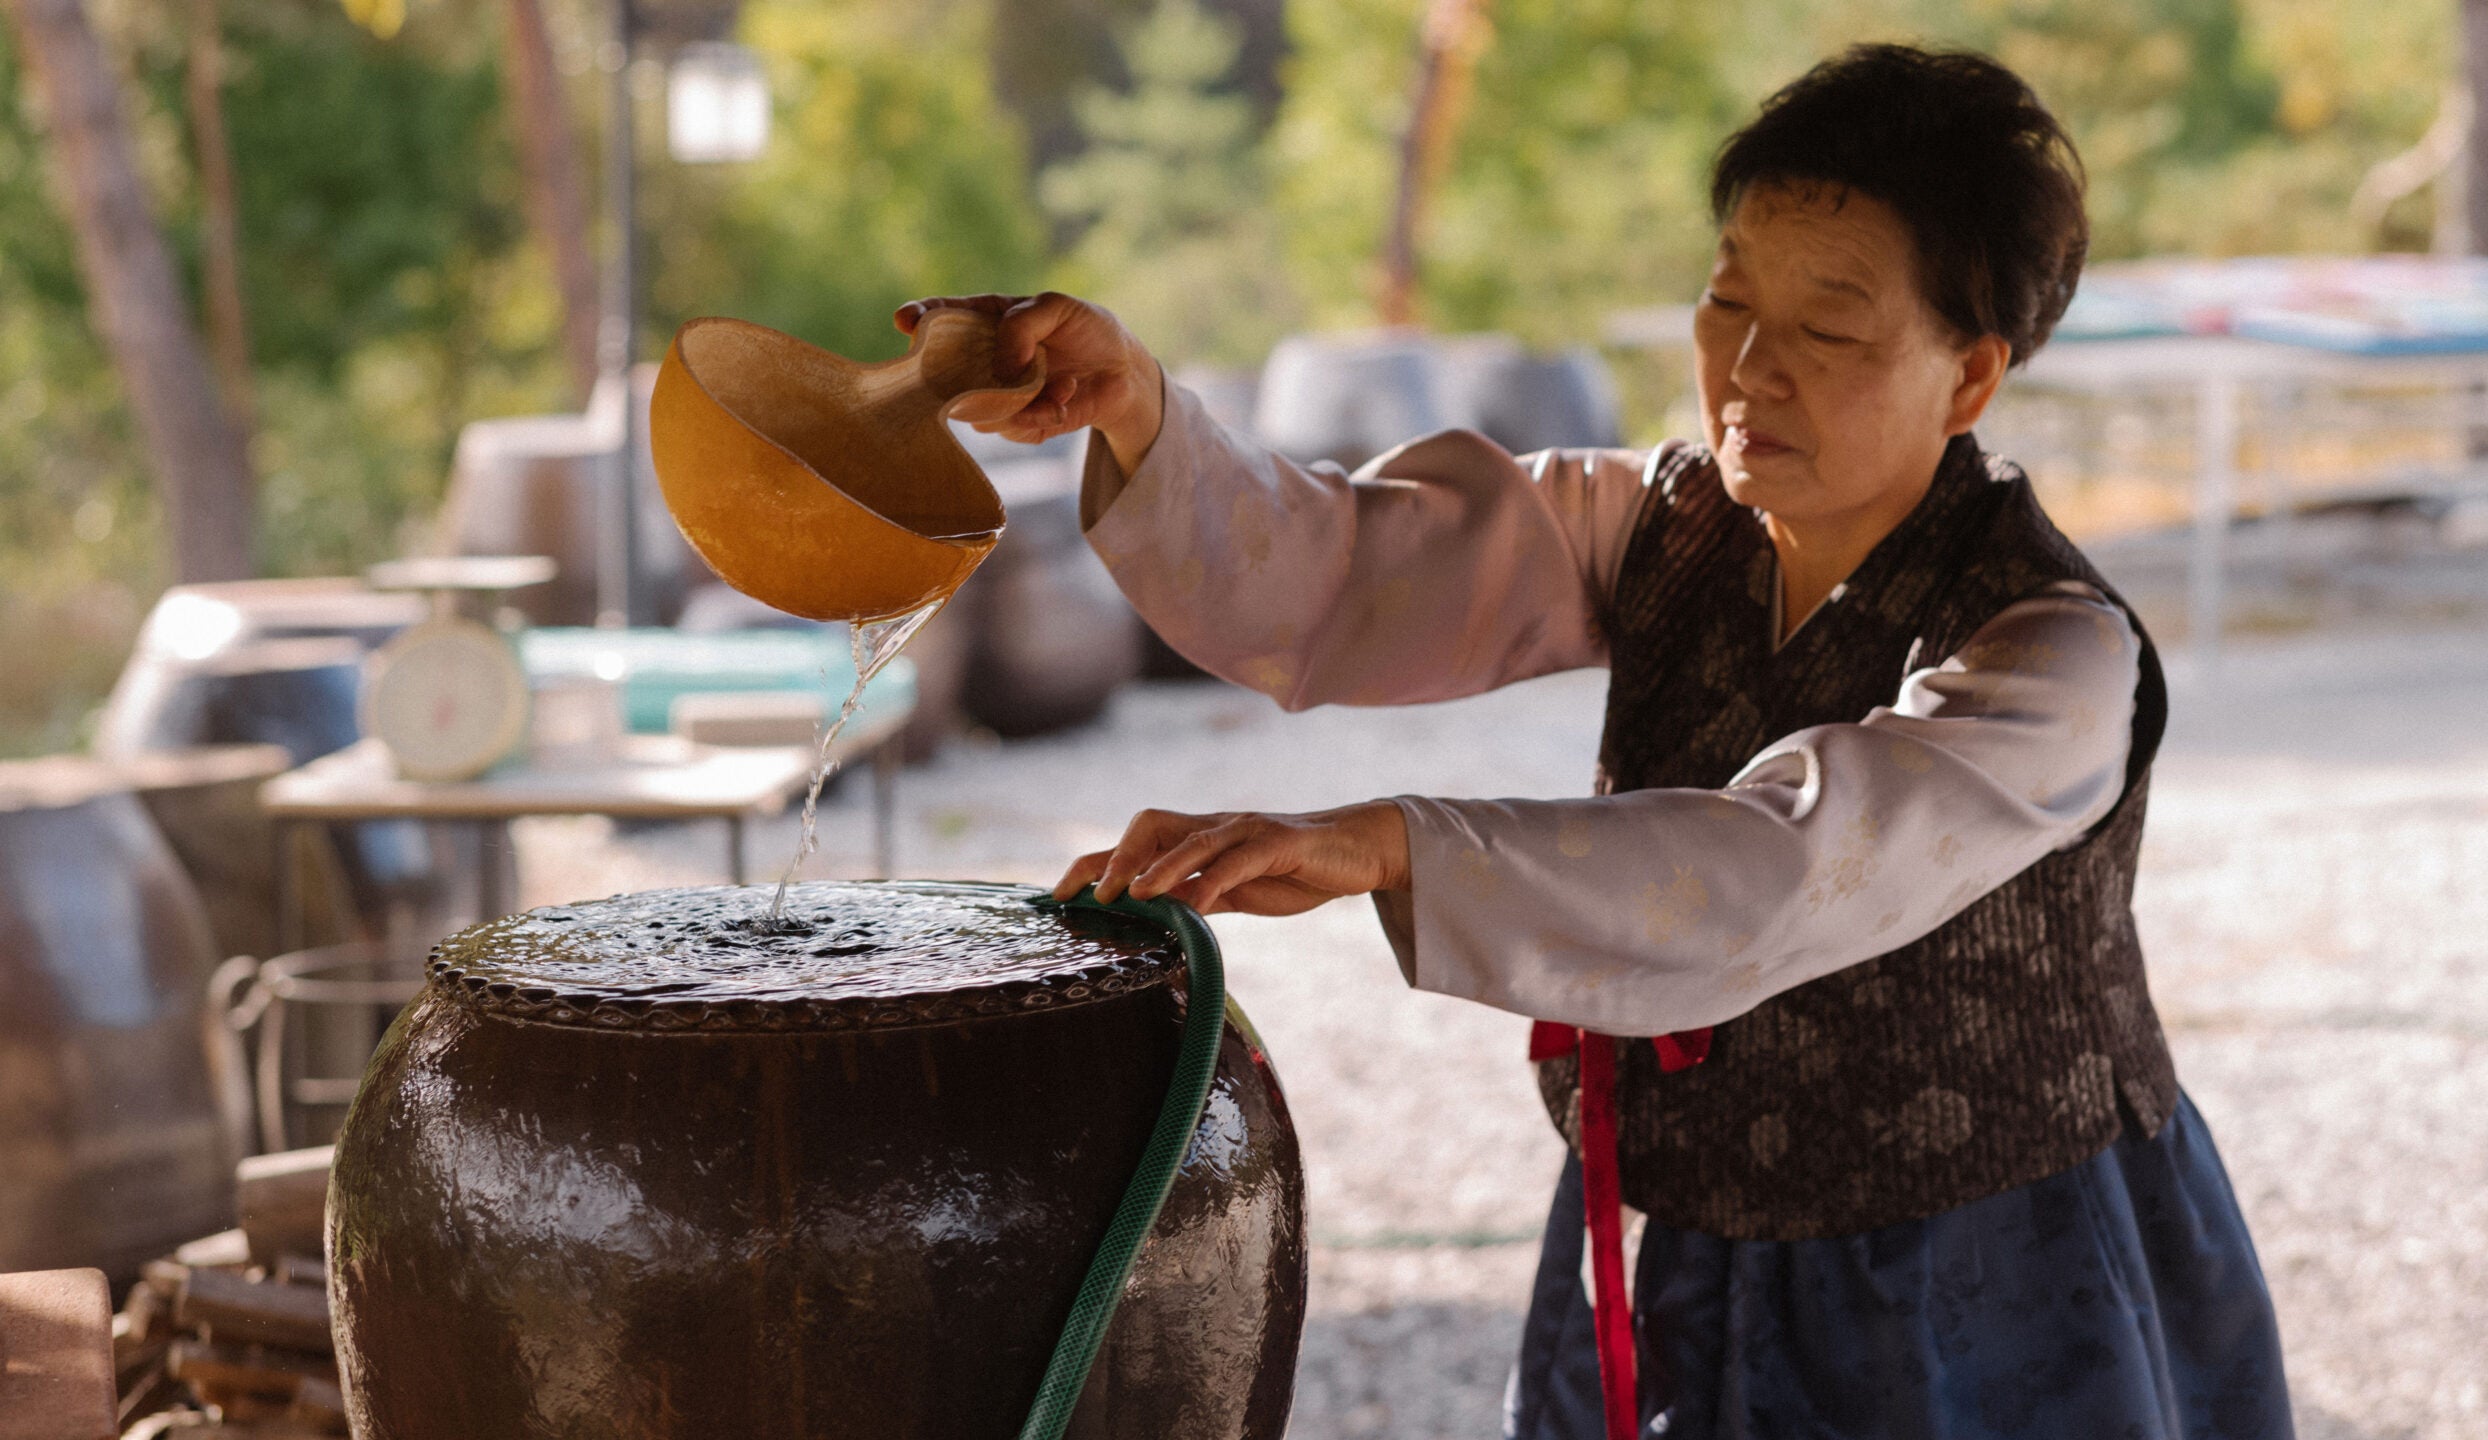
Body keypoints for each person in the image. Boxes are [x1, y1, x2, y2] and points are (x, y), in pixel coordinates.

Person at [902, 43, 2291, 1440]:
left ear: (1971, 374)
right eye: (1730, 298)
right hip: (1675, 1232)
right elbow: (1337, 569)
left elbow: (1781, 864)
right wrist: (1136, 403)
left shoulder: (2050, 653)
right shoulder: (1655, 525)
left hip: (1989, 1265)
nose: (1752, 367)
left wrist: (1388, 844)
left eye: (1832, 327)